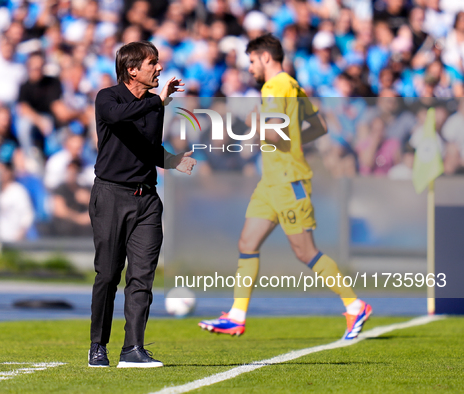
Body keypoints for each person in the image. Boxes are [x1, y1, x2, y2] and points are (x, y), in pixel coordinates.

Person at [198, 34, 372, 340]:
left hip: (289, 181)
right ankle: (237, 315)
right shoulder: (293, 85)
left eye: (251, 61)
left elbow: (275, 135)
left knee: (306, 252)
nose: (249, 67)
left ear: (266, 57)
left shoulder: (274, 87)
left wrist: (255, 126)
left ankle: (355, 305)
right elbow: (319, 126)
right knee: (247, 244)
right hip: (272, 181)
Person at [88, 41, 196, 368]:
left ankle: (133, 348)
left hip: (147, 199)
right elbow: (120, 119)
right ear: (132, 69)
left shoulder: (153, 103)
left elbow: (146, 147)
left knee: (142, 277)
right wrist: (157, 102)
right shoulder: (107, 97)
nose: (160, 69)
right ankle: (98, 346)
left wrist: (173, 160)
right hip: (110, 196)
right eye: (153, 63)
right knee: (107, 275)